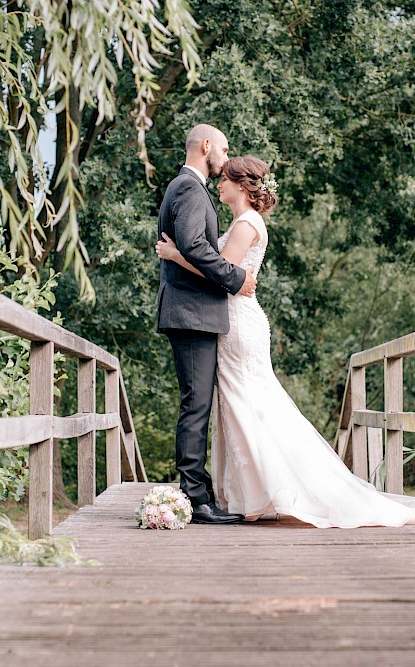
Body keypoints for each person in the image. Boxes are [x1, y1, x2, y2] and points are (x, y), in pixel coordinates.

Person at [156, 155, 415, 528]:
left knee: (250, 404)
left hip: (240, 323)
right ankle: (250, 493)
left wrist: (177, 255)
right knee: (244, 406)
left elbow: (218, 273)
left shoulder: (246, 224)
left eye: (224, 180)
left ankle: (267, 491)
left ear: (242, 186)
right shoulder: (245, 221)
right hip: (236, 320)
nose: (219, 184)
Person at [156, 124, 257, 525]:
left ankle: (197, 491)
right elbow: (195, 246)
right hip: (191, 313)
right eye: (225, 149)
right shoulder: (188, 188)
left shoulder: (185, 187)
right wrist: (236, 278)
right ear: (206, 146)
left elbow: (189, 248)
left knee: (195, 403)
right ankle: (196, 498)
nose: (227, 158)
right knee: (196, 405)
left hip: (191, 311)